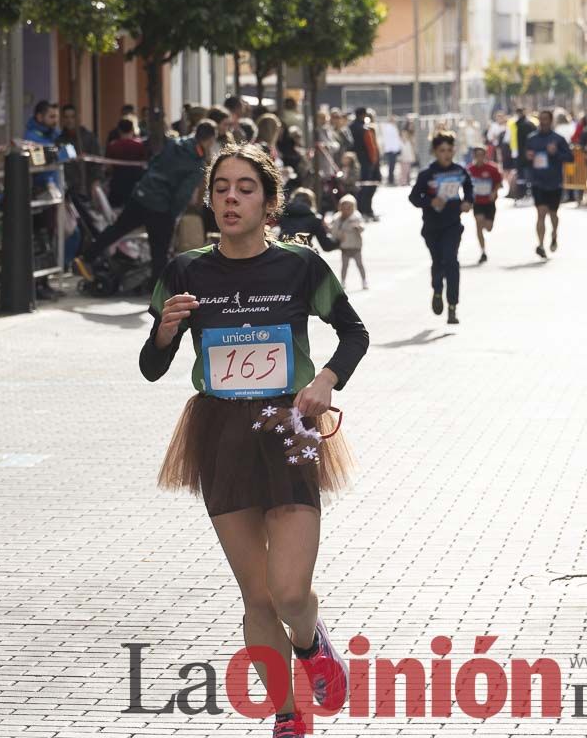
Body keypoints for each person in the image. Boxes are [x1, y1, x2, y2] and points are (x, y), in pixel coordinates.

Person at [140, 142, 368, 738]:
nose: (231, 199)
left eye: (245, 188)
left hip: (288, 428)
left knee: (289, 592)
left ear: (270, 203)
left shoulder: (300, 266)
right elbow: (150, 367)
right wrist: (165, 332)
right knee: (257, 596)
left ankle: (311, 641)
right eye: (221, 189)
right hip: (220, 434)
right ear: (209, 200)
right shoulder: (185, 271)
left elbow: (354, 333)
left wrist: (324, 379)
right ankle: (288, 717)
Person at [73, 121, 218, 289]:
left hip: (142, 194)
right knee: (159, 251)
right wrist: (173, 215)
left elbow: (153, 162)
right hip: (161, 207)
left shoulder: (174, 143)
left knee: (117, 229)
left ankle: (86, 258)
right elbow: (183, 194)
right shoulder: (196, 163)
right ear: (209, 140)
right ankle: (157, 290)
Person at [409, 132, 473, 324]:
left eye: (449, 150)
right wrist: (430, 201)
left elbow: (469, 187)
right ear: (435, 152)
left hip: (453, 225)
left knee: (451, 261)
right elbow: (414, 197)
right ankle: (437, 289)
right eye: (442, 150)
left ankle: (452, 306)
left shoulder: (460, 171)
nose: (446, 154)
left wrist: (468, 201)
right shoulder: (427, 174)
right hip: (432, 227)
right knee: (438, 262)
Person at [24, 100, 65, 300]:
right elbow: (44, 157)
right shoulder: (33, 137)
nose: (54, 121)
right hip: (38, 196)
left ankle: (45, 281)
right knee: (39, 241)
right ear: (39, 117)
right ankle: (37, 285)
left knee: (49, 240)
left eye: (56, 117)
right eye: (51, 116)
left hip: (51, 196)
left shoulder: (53, 136)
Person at [523, 109, 573, 258]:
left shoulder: (558, 139)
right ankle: (540, 244)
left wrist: (555, 153)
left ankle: (554, 233)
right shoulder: (531, 139)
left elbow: (570, 158)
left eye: (546, 119)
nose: (543, 122)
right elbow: (523, 159)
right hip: (538, 181)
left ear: (551, 121)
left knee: (553, 213)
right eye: (541, 119)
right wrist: (528, 157)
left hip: (555, 182)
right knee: (540, 213)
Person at [59, 103, 103, 203]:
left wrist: (96, 182)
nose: (69, 120)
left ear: (78, 118)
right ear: (63, 119)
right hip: (69, 191)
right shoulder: (60, 140)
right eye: (66, 117)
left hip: (87, 189)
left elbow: (97, 161)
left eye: (72, 117)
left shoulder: (88, 138)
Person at [466, 145, 502, 263]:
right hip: (477, 202)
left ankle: (484, 227)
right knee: (478, 223)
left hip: (489, 202)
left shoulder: (492, 169)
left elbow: (498, 182)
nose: (480, 158)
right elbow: (466, 185)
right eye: (477, 155)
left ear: (485, 156)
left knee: (488, 227)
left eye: (482, 155)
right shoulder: (470, 170)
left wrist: (494, 192)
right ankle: (483, 251)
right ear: (474, 156)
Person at [104, 118, 148, 211]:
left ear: (119, 130)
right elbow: (145, 164)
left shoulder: (112, 146)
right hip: (135, 187)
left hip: (117, 186)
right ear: (132, 130)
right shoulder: (140, 145)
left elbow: (108, 167)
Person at [348, 108, 381, 220]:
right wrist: (373, 161)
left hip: (354, 162)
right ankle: (365, 210)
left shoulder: (350, 127)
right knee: (367, 187)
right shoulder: (365, 129)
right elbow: (371, 148)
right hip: (366, 163)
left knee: (358, 188)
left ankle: (361, 209)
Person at [329, 194, 366, 290]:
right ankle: (343, 282)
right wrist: (337, 234)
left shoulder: (356, 217)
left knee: (360, 264)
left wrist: (358, 227)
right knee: (344, 266)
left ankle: (364, 280)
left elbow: (362, 227)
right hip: (344, 246)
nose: (346, 210)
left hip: (355, 246)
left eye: (349, 208)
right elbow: (333, 231)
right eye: (344, 207)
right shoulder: (337, 218)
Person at [378, 115, 402, 185]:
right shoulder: (389, 128)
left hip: (393, 149)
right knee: (391, 165)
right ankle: (390, 179)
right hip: (391, 149)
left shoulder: (392, 127)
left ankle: (391, 179)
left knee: (392, 165)